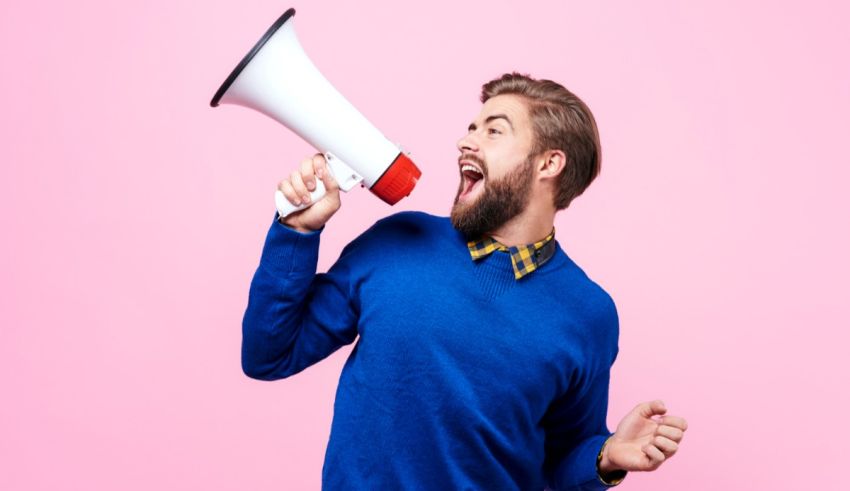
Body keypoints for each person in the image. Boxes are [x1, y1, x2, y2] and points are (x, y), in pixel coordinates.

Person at [242, 72, 688, 490]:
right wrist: (296, 233)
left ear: (548, 163)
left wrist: (605, 457)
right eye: (471, 128)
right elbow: (268, 355)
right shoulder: (396, 241)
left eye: (493, 131)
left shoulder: (589, 314)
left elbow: (561, 460)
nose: (464, 142)